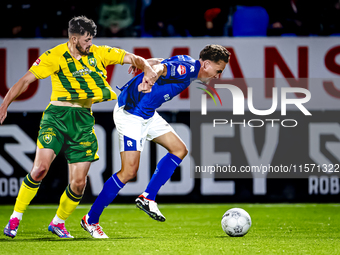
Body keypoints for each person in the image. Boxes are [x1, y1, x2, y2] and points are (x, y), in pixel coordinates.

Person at [1, 15, 157, 239]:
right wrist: (4, 105)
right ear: (74, 39)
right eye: (86, 40)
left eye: (91, 39)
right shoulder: (54, 56)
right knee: (40, 169)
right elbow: (25, 80)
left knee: (78, 183)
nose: (90, 43)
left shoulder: (100, 52)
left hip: (83, 119)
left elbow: (133, 57)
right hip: (56, 117)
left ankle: (58, 222)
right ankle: (15, 217)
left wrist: (145, 67)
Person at [80, 44, 231, 238]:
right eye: (218, 71)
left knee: (179, 150)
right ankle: (90, 220)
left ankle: (147, 197)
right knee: (128, 172)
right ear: (207, 64)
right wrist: (149, 78)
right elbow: (161, 69)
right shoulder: (190, 68)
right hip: (132, 113)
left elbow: (161, 62)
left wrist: (145, 64)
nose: (218, 75)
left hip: (147, 114)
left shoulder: (188, 62)